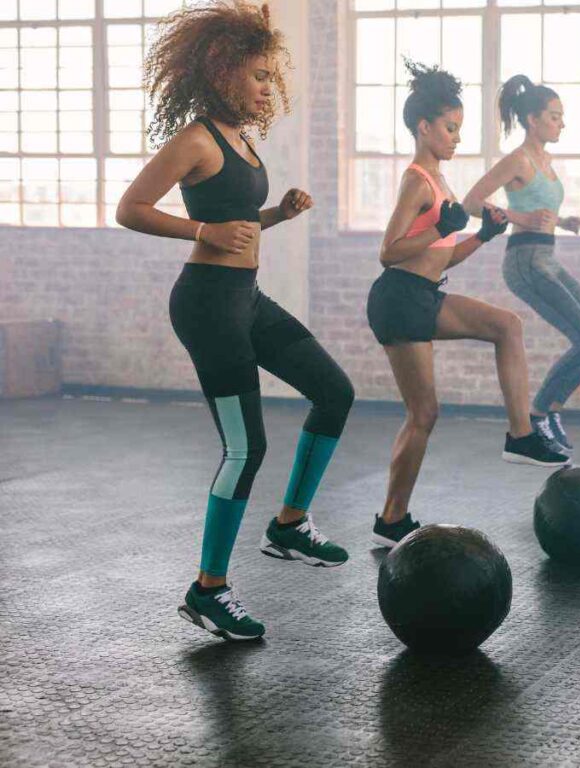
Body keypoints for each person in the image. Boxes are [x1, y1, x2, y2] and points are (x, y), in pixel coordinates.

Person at [117, 1, 351, 641]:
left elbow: (237, 226)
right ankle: (208, 590)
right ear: (221, 74)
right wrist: (201, 229)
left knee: (335, 392)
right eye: (257, 76)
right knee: (246, 448)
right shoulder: (194, 140)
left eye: (270, 77)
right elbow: (130, 208)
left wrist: (277, 213)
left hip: (243, 297)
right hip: (206, 305)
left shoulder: (240, 139)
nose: (266, 87)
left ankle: (289, 524)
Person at [366, 61, 570, 550]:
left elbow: (443, 255)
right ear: (424, 127)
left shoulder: (440, 180)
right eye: (450, 129)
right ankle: (392, 518)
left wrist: (483, 233)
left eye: (459, 129)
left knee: (506, 325)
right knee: (423, 415)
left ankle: (520, 435)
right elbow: (389, 251)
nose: (457, 138)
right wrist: (441, 225)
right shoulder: (418, 179)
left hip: (423, 295)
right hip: (398, 299)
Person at [463, 75, 580, 453]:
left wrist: (562, 222)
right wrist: (520, 218)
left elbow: (539, 208)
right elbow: (470, 202)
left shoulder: (545, 161)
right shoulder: (518, 159)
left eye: (562, 117)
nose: (561, 123)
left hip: (547, 256)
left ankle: (550, 409)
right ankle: (538, 414)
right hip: (525, 261)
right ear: (533, 119)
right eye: (554, 116)